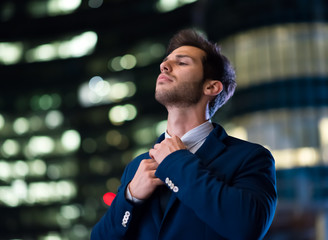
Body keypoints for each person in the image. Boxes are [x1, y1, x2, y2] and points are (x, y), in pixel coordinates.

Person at [91, 29, 277, 240]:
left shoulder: (251, 158)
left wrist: (177, 162)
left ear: (211, 86)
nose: (164, 66)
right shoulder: (137, 167)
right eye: (165, 62)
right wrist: (130, 196)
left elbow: (247, 227)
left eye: (182, 63)